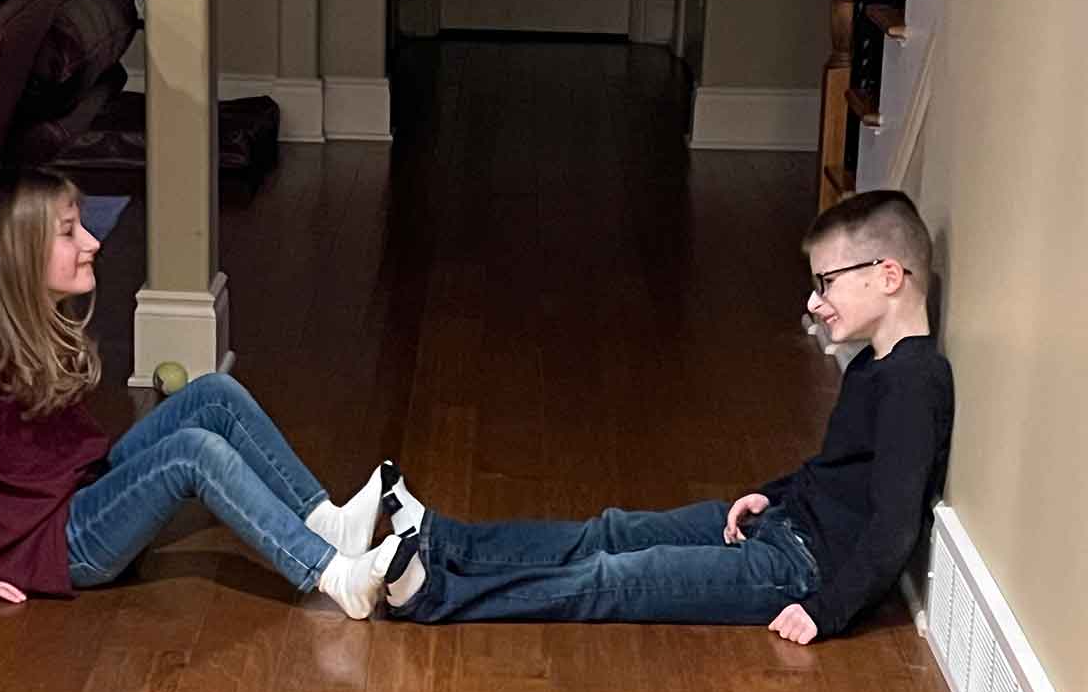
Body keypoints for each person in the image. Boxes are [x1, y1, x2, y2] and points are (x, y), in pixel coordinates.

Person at [376, 190, 955, 644]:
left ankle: (434, 594)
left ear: (888, 276)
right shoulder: (873, 366)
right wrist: (771, 495)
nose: (813, 301)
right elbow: (839, 471)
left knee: (615, 578)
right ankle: (438, 539)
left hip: (795, 570)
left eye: (826, 282)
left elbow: (894, 528)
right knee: (610, 532)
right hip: (781, 525)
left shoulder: (913, 386)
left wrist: (824, 611)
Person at [0, 167, 413, 618]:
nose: (92, 241)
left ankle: (326, 525)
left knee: (214, 392)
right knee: (193, 452)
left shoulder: (41, 328)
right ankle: (332, 575)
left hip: (85, 490)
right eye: (69, 232)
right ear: (19, 258)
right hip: (61, 543)